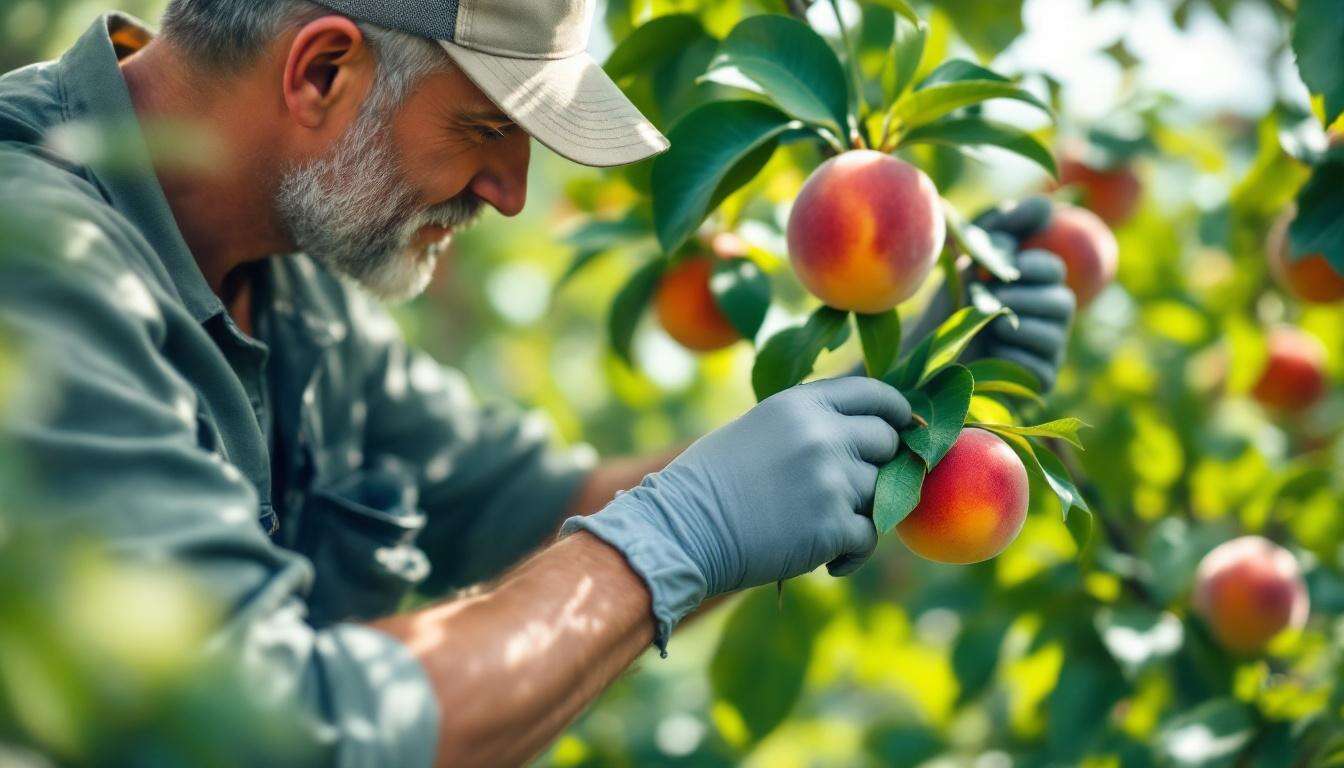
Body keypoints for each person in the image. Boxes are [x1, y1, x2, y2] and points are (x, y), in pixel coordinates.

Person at [0, 1, 1073, 765]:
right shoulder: (35, 266)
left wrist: (884, 425)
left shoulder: (288, 279)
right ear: (321, 72)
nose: (509, 194)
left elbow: (525, 514)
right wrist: (678, 536)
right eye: (485, 129)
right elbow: (271, 732)